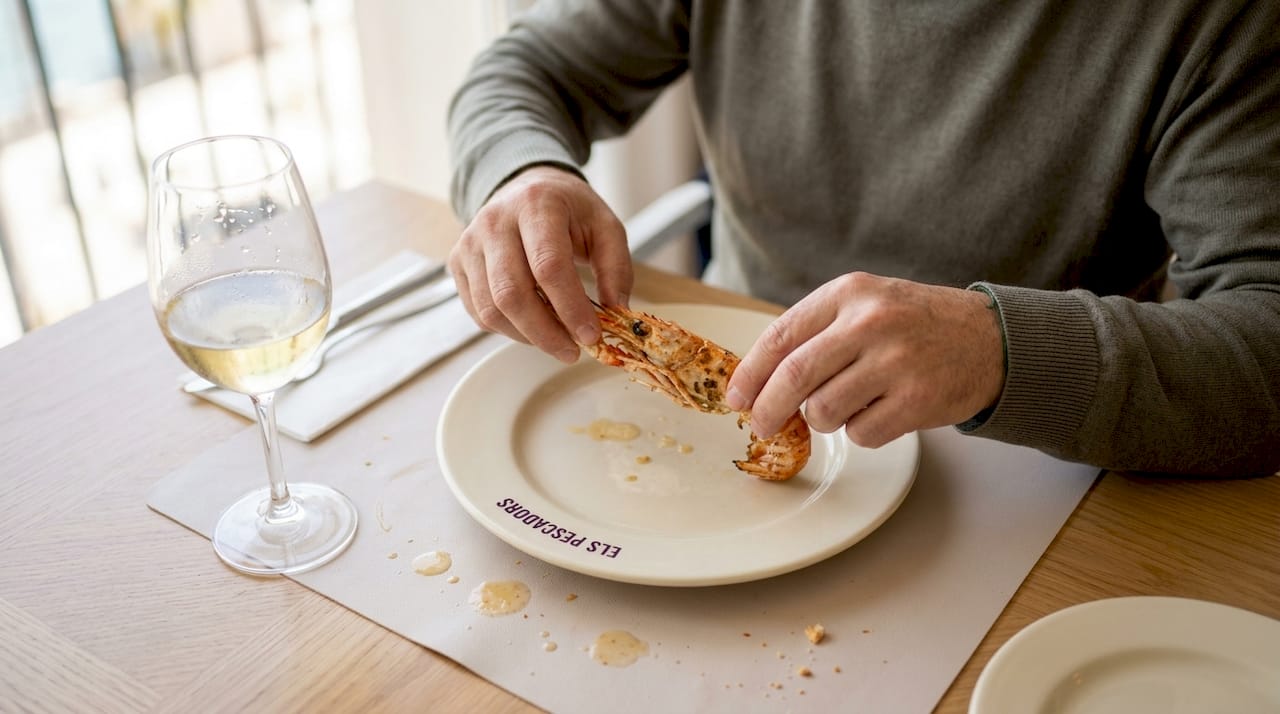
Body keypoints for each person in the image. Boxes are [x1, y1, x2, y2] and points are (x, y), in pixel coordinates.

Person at [446, 0, 1280, 477]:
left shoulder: (1228, 22)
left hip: (1041, 461)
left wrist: (999, 350)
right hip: (713, 441)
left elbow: (1267, 340)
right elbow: (523, 71)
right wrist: (520, 174)